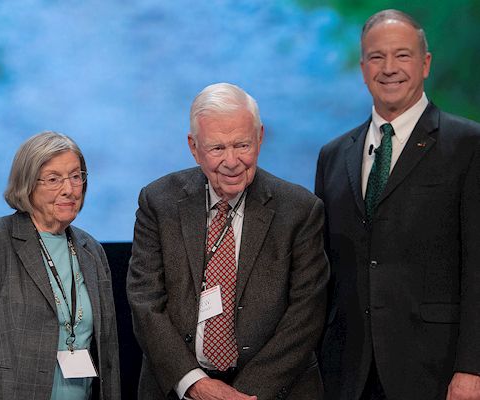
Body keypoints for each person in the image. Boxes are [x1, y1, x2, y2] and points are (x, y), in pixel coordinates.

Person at [316, 9, 480, 400]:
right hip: (349, 374)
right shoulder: (333, 155)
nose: (389, 68)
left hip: (436, 372)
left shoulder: (468, 145)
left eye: (402, 55)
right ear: (362, 67)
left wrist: (471, 368)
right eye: (377, 57)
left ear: (425, 64)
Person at [127, 82, 329, 400]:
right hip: (180, 390)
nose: (232, 161)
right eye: (217, 148)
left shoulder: (300, 210)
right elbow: (145, 301)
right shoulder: (158, 202)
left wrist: (243, 396)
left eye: (242, 145)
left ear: (260, 138)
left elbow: (306, 314)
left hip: (274, 392)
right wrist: (196, 384)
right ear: (194, 147)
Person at [0, 131, 120, 400]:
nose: (69, 189)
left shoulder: (92, 250)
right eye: (54, 179)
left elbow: (107, 350)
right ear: (27, 185)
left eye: (76, 176)